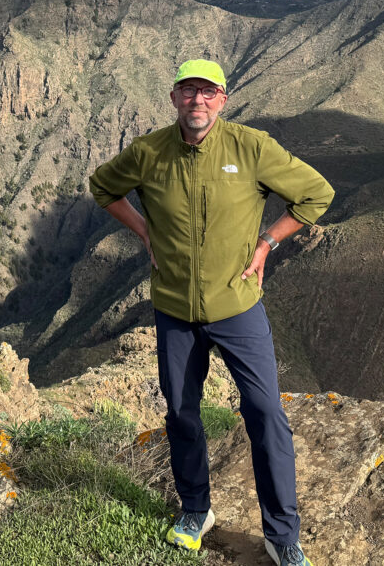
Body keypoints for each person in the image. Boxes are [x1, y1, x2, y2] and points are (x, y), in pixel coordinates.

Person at [88, 59, 334, 566]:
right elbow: (102, 187)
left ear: (223, 100)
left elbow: (316, 194)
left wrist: (267, 243)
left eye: (208, 92)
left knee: (265, 412)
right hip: (175, 307)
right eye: (188, 91)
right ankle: (195, 509)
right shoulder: (150, 152)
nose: (197, 101)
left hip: (237, 304)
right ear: (174, 97)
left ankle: (282, 533)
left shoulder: (250, 148)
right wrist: (144, 230)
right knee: (181, 412)